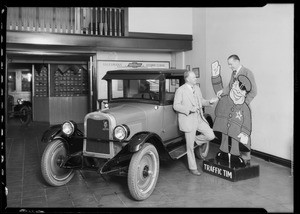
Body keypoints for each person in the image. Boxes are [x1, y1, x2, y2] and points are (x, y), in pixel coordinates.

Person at [212, 54, 257, 163]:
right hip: (232, 105)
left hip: (241, 108)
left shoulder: (247, 72)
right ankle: (228, 154)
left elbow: (254, 91)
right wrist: (222, 91)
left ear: (237, 61)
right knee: (230, 130)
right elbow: (230, 87)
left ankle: (245, 157)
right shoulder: (234, 73)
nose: (230, 66)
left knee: (242, 132)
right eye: (229, 64)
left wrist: (243, 104)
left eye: (231, 64)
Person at [173, 71, 218, 176]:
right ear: (187, 79)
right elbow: (176, 106)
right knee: (189, 149)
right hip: (188, 120)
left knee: (211, 135)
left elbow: (201, 101)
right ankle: (193, 168)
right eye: (193, 78)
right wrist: (190, 109)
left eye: (195, 77)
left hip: (199, 118)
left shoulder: (197, 88)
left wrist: (209, 102)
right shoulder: (180, 90)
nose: (195, 79)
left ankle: (194, 141)